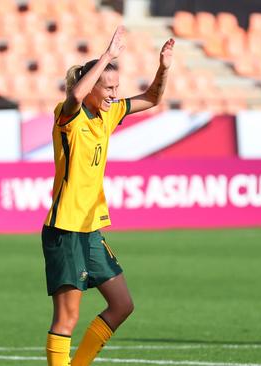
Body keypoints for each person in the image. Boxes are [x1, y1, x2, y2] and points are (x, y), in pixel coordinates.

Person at [41, 26, 175, 366]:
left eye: (117, 87)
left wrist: (164, 67)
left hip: (90, 229)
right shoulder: (68, 115)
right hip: (66, 229)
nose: (114, 94)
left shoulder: (108, 113)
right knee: (66, 319)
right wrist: (107, 56)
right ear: (90, 87)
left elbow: (153, 98)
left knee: (122, 305)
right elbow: (74, 97)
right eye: (108, 87)